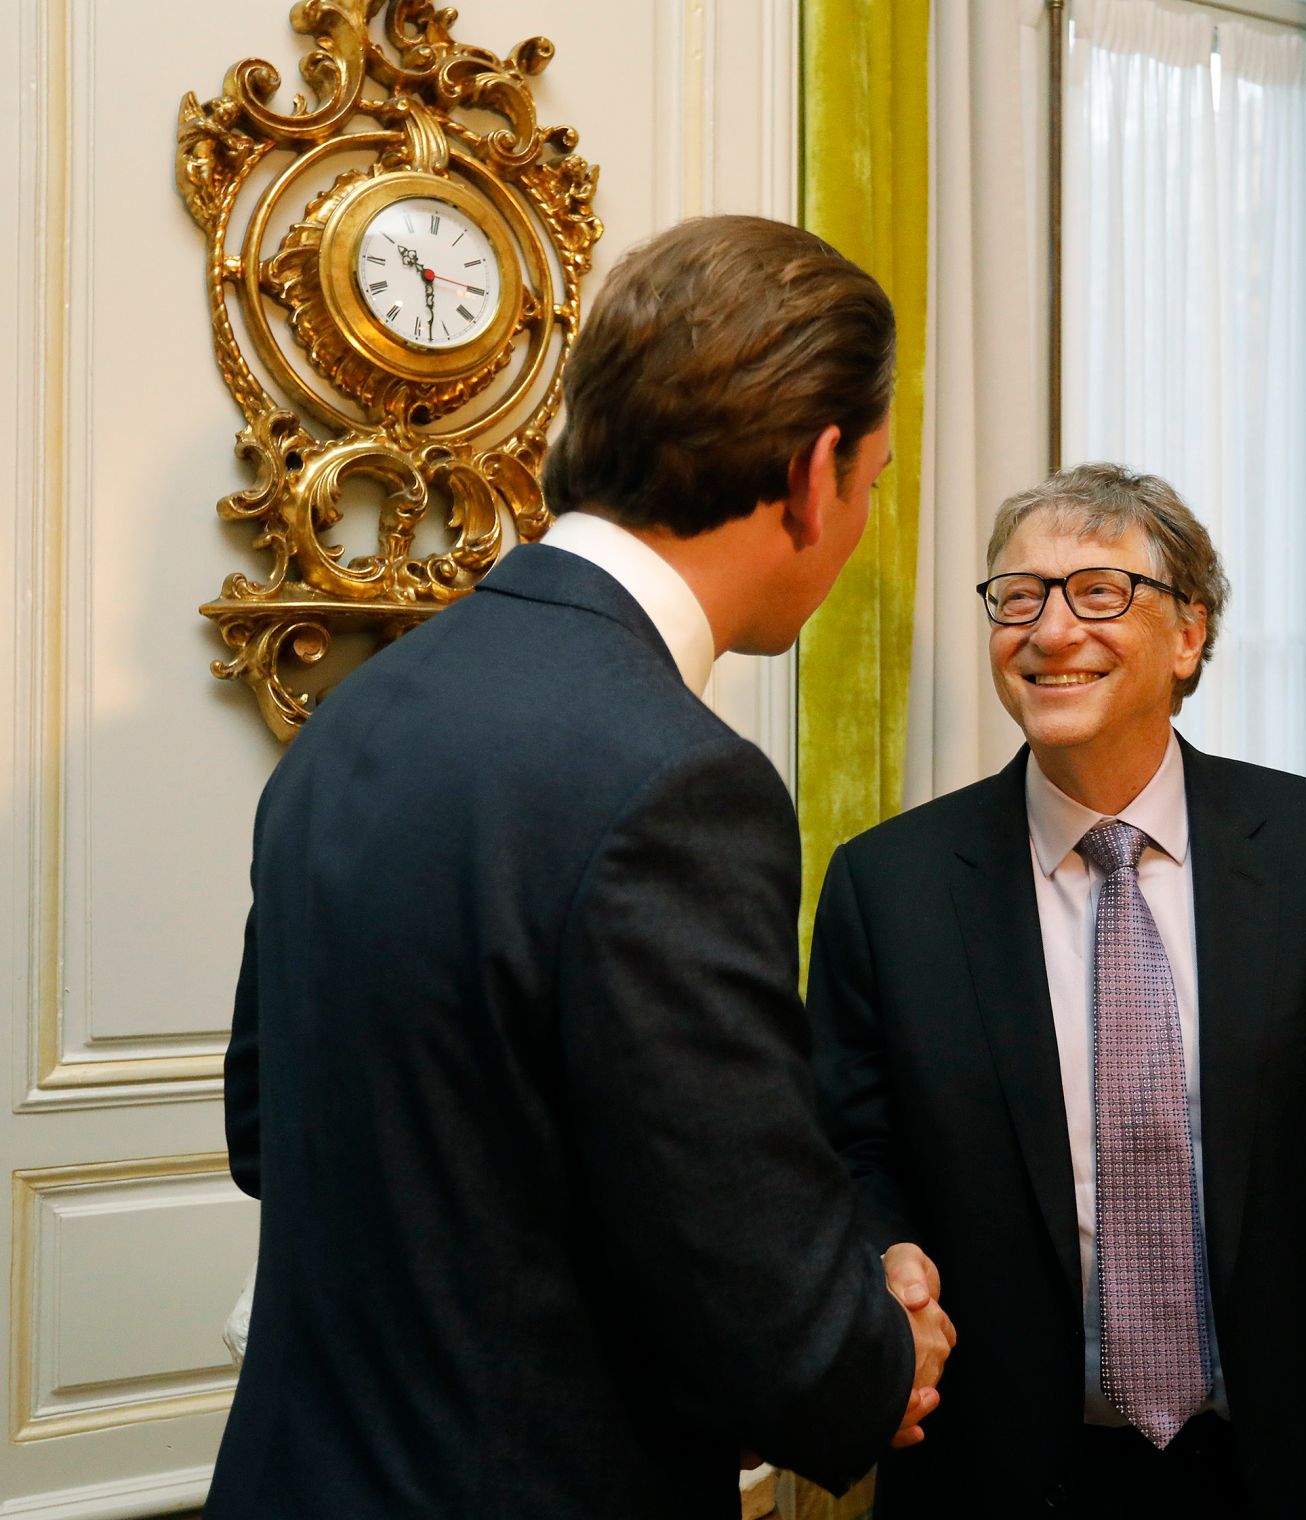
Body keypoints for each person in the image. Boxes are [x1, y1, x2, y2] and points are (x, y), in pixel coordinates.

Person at [208, 215, 954, 1520]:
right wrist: (881, 1347)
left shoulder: (367, 712)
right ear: (811, 470)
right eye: (877, 482)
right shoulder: (679, 777)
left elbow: (273, 1133)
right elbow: (759, 1290)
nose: (861, 526)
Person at [807, 462, 1306, 1518]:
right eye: (1017, 595)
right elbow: (852, 1156)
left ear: (1187, 635)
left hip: (1290, 1467)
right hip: (1000, 1478)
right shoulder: (885, 887)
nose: (1048, 628)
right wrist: (886, 1267)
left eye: (1098, 592)